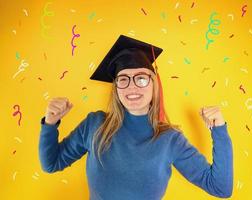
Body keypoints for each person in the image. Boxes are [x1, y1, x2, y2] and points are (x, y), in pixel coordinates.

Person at [39, 35, 233, 200]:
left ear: (154, 84)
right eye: (123, 79)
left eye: (141, 78)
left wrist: (219, 130)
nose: (132, 87)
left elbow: (220, 188)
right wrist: (50, 123)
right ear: (116, 88)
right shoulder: (95, 125)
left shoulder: (170, 139)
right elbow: (51, 163)